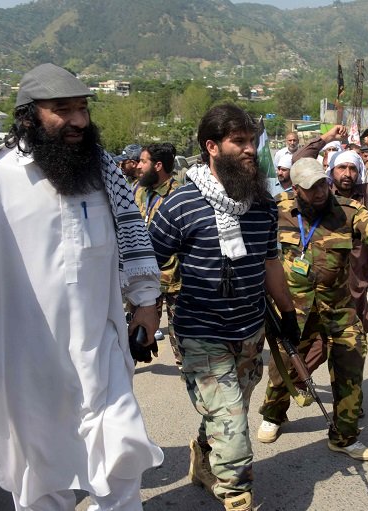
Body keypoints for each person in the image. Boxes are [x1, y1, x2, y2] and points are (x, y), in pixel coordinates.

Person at [0, 63, 164, 511]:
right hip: (25, 358)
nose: (77, 121)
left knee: (122, 456)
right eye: (62, 110)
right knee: (39, 476)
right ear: (29, 116)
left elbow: (131, 238)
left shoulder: (102, 169)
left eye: (81, 109)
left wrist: (146, 302)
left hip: (100, 349)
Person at [148, 103, 299, 511]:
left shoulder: (263, 205)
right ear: (212, 147)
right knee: (233, 428)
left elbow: (270, 263)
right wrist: (141, 317)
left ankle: (202, 461)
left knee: (228, 413)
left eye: (252, 141)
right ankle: (236, 493)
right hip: (201, 334)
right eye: (240, 141)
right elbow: (146, 264)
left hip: (250, 331)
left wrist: (287, 315)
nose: (251, 149)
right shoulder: (181, 204)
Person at [256, 157, 368, 460]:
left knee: (350, 369)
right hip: (293, 311)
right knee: (284, 369)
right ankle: (273, 414)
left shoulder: (347, 211)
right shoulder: (276, 208)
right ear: (296, 189)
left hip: (338, 307)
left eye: (323, 184)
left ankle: (344, 436)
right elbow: (254, 248)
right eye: (311, 188)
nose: (320, 192)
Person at [294, 126, 368, 333]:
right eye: (342, 167)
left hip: (354, 281)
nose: (347, 173)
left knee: (352, 344)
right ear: (331, 170)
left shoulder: (366, 194)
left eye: (352, 168)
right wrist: (327, 138)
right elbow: (299, 162)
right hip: (321, 277)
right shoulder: (322, 192)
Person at [133, 142, 182, 364]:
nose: (138, 166)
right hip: (143, 278)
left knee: (181, 340)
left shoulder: (180, 194)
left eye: (144, 161)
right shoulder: (137, 191)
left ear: (158, 165)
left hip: (174, 281)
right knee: (137, 333)